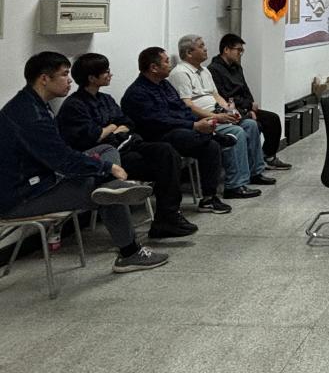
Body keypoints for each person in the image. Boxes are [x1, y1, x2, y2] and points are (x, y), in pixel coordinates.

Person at [1, 52, 167, 273]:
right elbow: (62, 160)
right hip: (23, 195)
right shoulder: (29, 115)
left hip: (43, 178)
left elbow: (61, 155)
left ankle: (113, 187)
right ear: (44, 79)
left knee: (106, 151)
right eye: (64, 74)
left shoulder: (34, 104)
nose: (69, 80)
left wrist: (102, 166)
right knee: (104, 191)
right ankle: (129, 253)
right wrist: (106, 168)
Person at [57, 53, 198, 239]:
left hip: (128, 144)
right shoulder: (74, 105)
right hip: (108, 157)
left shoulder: (106, 99)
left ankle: (168, 216)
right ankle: (165, 219)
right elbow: (93, 137)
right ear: (91, 78)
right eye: (105, 71)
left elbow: (127, 122)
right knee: (164, 165)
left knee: (166, 151)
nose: (110, 74)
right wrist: (112, 127)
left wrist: (110, 129)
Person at [122, 47, 232, 214]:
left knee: (210, 147)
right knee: (184, 135)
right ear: (153, 68)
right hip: (154, 137)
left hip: (177, 130)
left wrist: (198, 121)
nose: (170, 64)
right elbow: (158, 121)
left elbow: (181, 108)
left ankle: (209, 198)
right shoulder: (137, 93)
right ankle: (214, 136)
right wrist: (194, 126)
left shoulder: (165, 85)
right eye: (166, 61)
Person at [168, 34, 273, 199]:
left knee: (251, 125)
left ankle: (255, 172)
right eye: (201, 46)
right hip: (202, 119)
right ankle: (234, 185)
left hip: (217, 113)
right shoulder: (180, 73)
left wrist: (230, 111)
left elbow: (216, 96)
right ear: (189, 52)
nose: (206, 49)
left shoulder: (204, 71)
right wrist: (217, 117)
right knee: (237, 132)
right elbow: (188, 105)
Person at [208, 34, 291, 170]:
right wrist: (246, 109)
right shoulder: (213, 70)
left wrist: (252, 107)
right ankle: (252, 165)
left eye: (242, 50)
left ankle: (268, 156)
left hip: (246, 107)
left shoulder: (237, 67)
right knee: (254, 125)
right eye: (238, 50)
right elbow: (224, 96)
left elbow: (245, 89)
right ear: (226, 50)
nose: (240, 53)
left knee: (273, 119)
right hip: (232, 110)